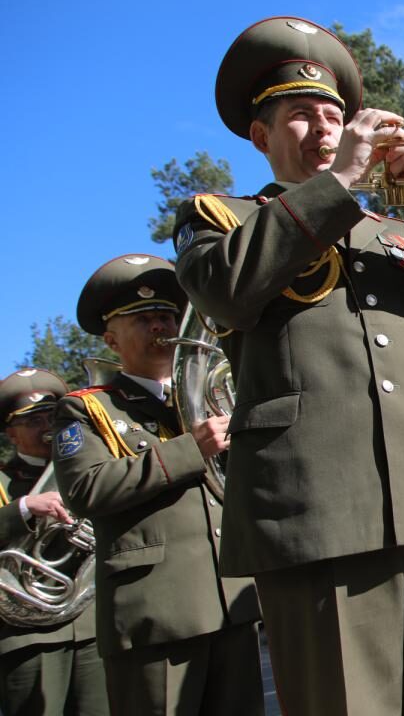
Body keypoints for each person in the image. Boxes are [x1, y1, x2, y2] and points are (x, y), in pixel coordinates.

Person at [171, 16, 404, 715]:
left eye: (333, 116)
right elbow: (225, 291)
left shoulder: (395, 232)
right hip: (315, 509)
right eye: (300, 115)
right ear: (260, 136)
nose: (323, 129)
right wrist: (341, 181)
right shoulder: (220, 219)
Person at [50, 255, 263, 716]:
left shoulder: (213, 395)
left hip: (232, 602)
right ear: (111, 339)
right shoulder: (87, 409)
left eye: (167, 315)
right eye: (142, 318)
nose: (160, 326)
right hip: (155, 615)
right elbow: (85, 490)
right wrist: (190, 449)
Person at [0, 369, 108, 716]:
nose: (47, 425)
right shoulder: (3, 482)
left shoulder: (87, 468)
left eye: (52, 415)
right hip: (27, 634)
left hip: (93, 623)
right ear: (11, 433)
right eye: (33, 420)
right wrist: (23, 508)